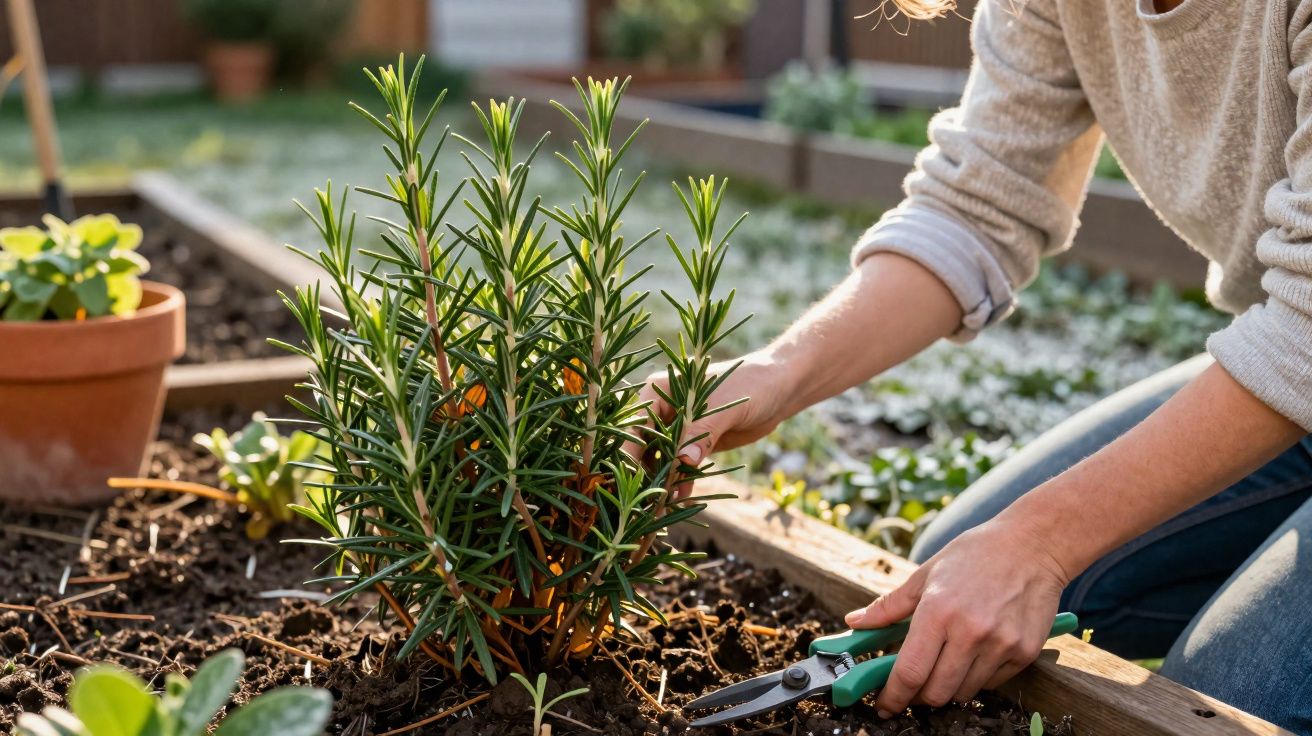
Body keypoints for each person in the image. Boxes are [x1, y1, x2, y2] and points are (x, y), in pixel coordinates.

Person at [639, 0, 1312, 731]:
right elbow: (978, 202)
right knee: (946, 589)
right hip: (1290, 378)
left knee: (1222, 697)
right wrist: (776, 372)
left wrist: (1042, 540)